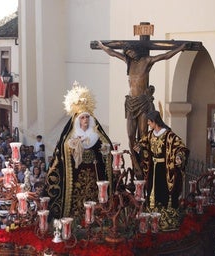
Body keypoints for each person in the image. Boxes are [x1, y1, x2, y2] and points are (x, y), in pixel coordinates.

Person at [97, 41, 189, 174]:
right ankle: (135, 163)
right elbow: (113, 53)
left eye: (131, 52)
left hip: (143, 102)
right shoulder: (129, 62)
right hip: (130, 102)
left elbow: (165, 56)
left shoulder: (147, 61)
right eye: (127, 53)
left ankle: (144, 163)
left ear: (137, 50)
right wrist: (102, 46)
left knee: (143, 134)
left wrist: (180, 48)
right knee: (130, 135)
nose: (130, 54)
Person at [45, 83, 113, 219]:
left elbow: (105, 148)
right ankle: (74, 219)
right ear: (77, 120)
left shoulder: (96, 135)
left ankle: (97, 217)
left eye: (87, 117)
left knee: (94, 197)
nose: (85, 120)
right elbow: (62, 154)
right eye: (82, 117)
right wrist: (75, 145)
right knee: (77, 198)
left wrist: (105, 149)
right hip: (75, 175)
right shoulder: (70, 137)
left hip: (94, 173)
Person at [133, 110, 189, 209]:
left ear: (155, 121)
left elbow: (180, 147)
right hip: (152, 168)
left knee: (163, 190)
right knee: (151, 189)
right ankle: (152, 210)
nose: (148, 123)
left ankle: (164, 210)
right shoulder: (150, 134)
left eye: (149, 121)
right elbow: (143, 144)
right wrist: (139, 147)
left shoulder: (169, 135)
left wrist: (179, 156)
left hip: (164, 168)